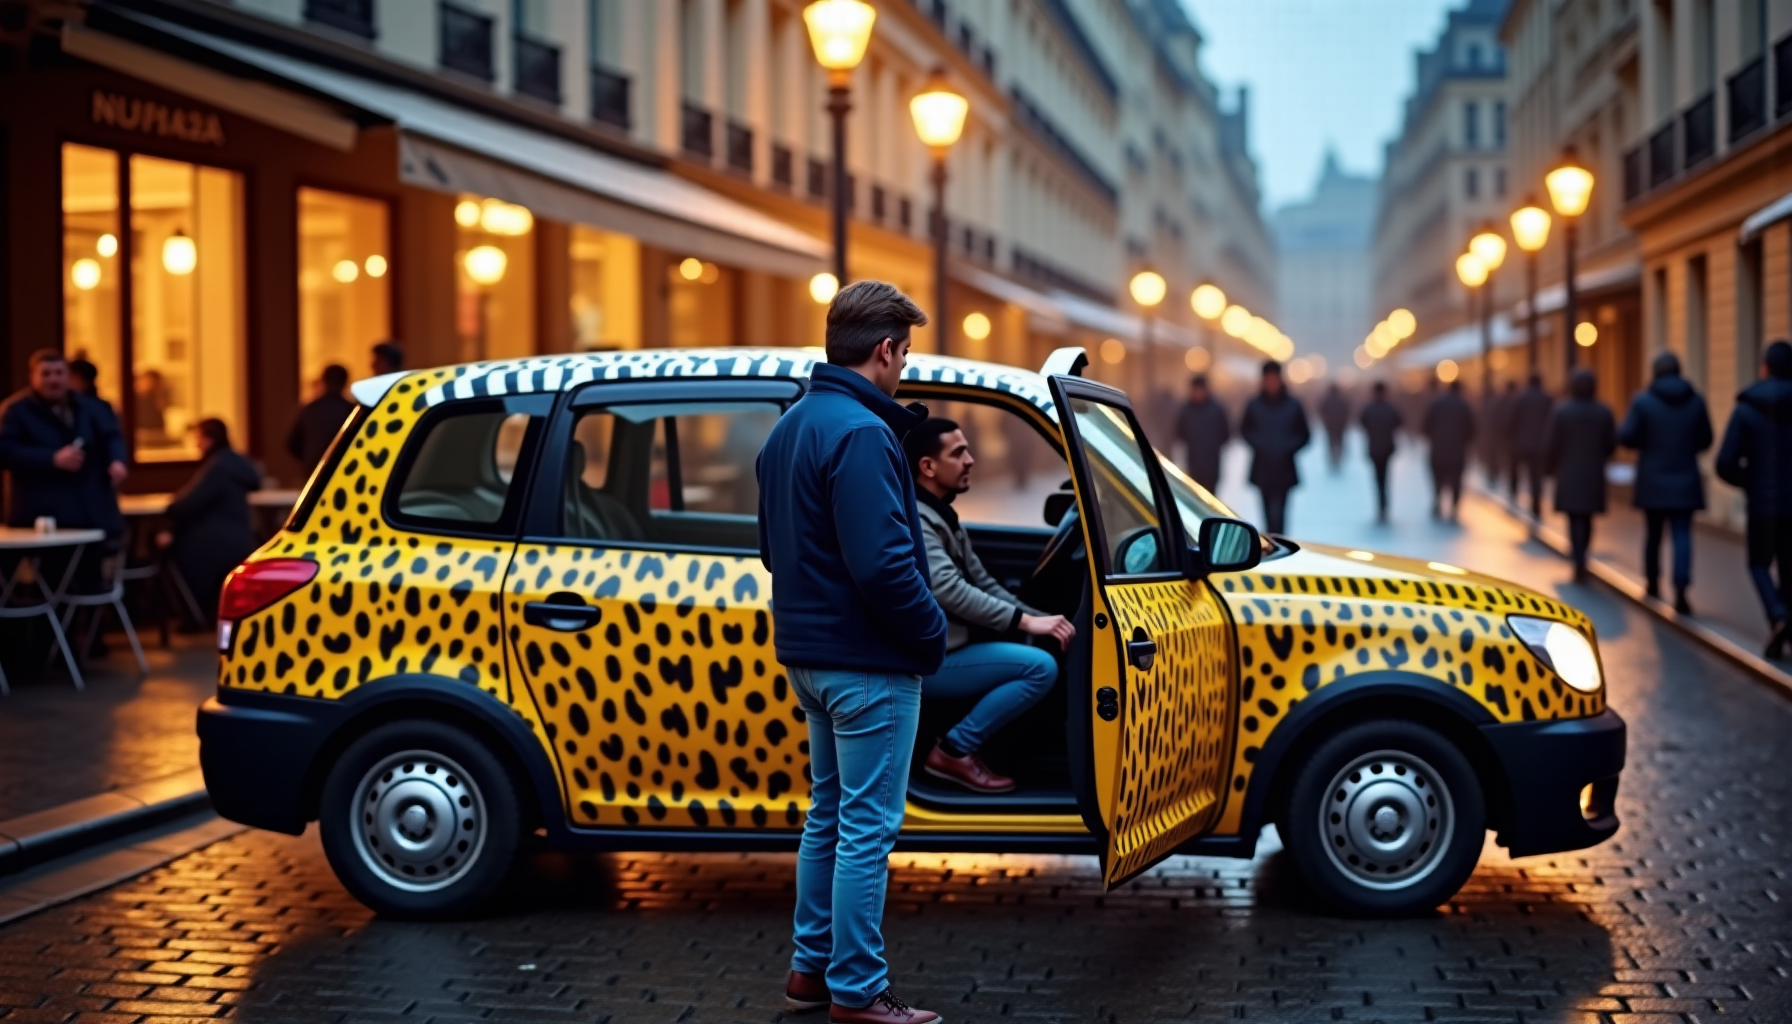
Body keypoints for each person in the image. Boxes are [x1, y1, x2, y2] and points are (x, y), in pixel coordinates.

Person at [756, 281, 945, 1023]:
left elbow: (773, 550)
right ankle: (859, 990)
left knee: (828, 816)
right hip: (868, 662)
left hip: (809, 656)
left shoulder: (792, 425)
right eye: (904, 352)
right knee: (866, 827)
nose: (904, 368)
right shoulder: (864, 433)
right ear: (883, 350)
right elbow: (883, 564)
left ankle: (811, 970)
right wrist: (930, 635)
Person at [904, 417, 1073, 794]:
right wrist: (1025, 623)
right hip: (930, 661)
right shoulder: (920, 519)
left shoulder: (941, 515)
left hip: (946, 650)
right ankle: (953, 750)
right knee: (1039, 668)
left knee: (1039, 654)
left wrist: (1041, 619)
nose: (971, 460)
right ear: (928, 467)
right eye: (958, 452)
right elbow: (947, 589)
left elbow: (982, 582)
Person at [1618, 352, 1713, 614]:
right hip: (1685, 479)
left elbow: (1627, 436)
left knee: (1654, 534)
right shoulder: (1695, 401)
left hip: (1653, 479)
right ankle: (1681, 589)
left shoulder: (1643, 401)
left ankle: (1652, 583)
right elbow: (1706, 439)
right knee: (1682, 535)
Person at [0, 349, 127, 543]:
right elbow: (5, 451)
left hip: (90, 511)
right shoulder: (16, 411)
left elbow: (111, 436)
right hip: (41, 514)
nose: (54, 380)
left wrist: (117, 460)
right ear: (32, 376)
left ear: (68, 375)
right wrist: (52, 458)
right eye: (46, 374)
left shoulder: (92, 407)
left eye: (59, 373)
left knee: (90, 570)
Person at [1716, 339, 1792, 658]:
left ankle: (1778, 615)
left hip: (1761, 504)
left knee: (1759, 563)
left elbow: (1725, 463)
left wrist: (1750, 481)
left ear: (1765, 368)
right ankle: (1786, 621)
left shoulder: (1747, 409)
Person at [158, 419, 261, 615]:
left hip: (216, 543)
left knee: (170, 548)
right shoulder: (235, 464)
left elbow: (188, 503)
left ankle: (190, 614)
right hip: (240, 537)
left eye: (198, 438)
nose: (196, 445)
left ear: (209, 439)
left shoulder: (217, 468)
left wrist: (169, 518)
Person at [1546, 368, 1616, 583]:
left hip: (1568, 472)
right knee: (1587, 518)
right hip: (1593, 472)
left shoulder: (1562, 411)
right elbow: (1611, 444)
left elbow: (1552, 443)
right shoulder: (1603, 411)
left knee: (1573, 517)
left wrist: (1550, 468)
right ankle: (1582, 556)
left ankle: (1577, 558)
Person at [1239, 359, 1310, 535]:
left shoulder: (1293, 405)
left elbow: (1305, 434)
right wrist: (1260, 444)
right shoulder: (1254, 405)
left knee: (1280, 513)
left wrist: (1288, 447)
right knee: (1266, 511)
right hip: (1263, 467)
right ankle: (1271, 541)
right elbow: (1244, 430)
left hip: (1284, 467)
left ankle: (1280, 542)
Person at [286, 364, 356, 474]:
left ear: (324, 381)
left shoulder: (310, 409)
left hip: (313, 470)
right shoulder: (352, 411)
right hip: (343, 470)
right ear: (345, 383)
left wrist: (308, 458)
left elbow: (291, 442)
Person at [1422, 379, 1475, 521]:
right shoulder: (1464, 406)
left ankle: (1438, 499)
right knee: (1456, 479)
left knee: (1437, 477)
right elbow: (1471, 430)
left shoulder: (1436, 404)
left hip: (1438, 449)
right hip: (1457, 451)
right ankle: (1454, 506)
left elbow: (1426, 426)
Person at [1175, 373, 1230, 493]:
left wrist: (1213, 445)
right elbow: (1180, 433)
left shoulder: (1217, 410)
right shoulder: (1186, 410)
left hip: (1212, 464)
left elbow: (1226, 434)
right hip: (1193, 463)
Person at [1359, 381, 1403, 523]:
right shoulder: (1390, 408)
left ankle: (1380, 505)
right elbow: (1398, 423)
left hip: (1374, 448)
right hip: (1387, 448)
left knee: (1377, 478)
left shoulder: (1369, 408)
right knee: (1385, 477)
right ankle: (1384, 505)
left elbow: (1362, 423)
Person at [1511, 373, 1554, 516]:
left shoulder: (1521, 399)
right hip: (1542, 443)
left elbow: (1513, 420)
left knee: (1529, 472)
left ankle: (1530, 497)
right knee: (1537, 475)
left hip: (1524, 442)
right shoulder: (1547, 399)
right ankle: (1536, 499)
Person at [1484, 380, 1517, 490]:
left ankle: (1496, 478)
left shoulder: (1501, 402)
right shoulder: (1517, 401)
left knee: (1500, 459)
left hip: (1503, 436)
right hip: (1510, 437)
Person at [1318, 382, 1350, 471]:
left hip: (1330, 426)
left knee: (1331, 443)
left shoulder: (1326, 401)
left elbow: (1321, 411)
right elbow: (1346, 412)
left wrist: (1326, 421)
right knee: (1339, 443)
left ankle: (1333, 459)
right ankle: (1338, 458)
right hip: (1340, 426)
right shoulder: (1342, 400)